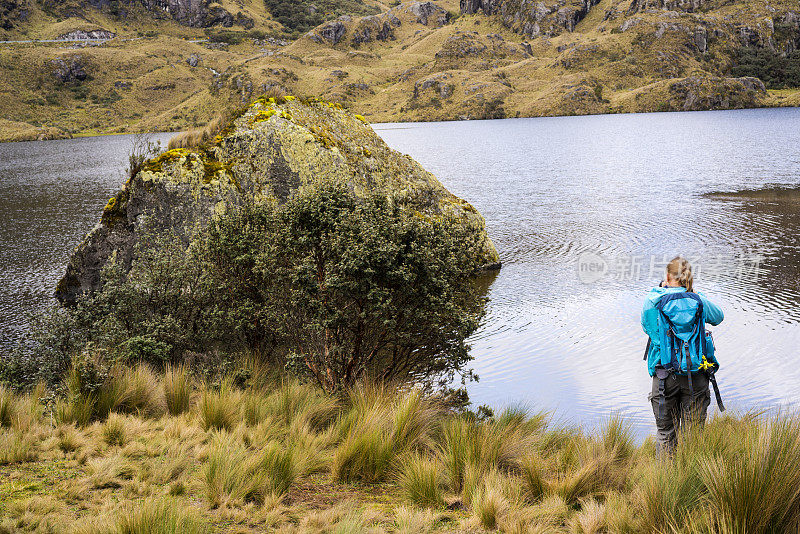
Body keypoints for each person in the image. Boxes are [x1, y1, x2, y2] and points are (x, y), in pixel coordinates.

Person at [641, 256, 724, 454]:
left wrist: (661, 290)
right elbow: (718, 317)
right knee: (693, 434)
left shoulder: (653, 300)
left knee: (665, 433)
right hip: (696, 373)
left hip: (664, 374)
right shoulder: (697, 300)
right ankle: (692, 480)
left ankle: (664, 482)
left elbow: (648, 328)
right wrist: (695, 293)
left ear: (668, 276)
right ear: (688, 278)